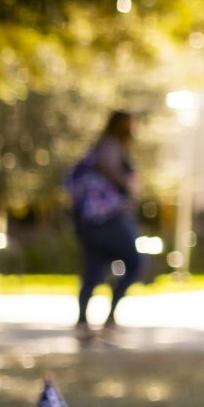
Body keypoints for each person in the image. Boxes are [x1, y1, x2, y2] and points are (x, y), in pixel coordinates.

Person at [63, 111, 143, 341]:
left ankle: (82, 323)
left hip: (89, 221)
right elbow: (109, 169)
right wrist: (127, 184)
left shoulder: (101, 145)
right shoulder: (111, 145)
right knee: (135, 262)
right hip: (109, 217)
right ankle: (108, 318)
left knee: (93, 269)